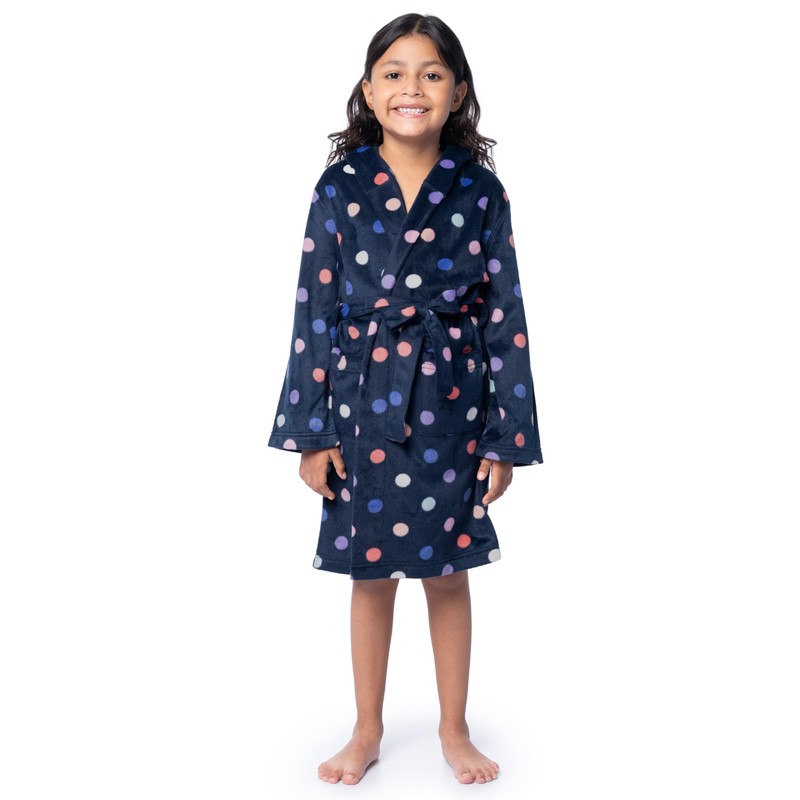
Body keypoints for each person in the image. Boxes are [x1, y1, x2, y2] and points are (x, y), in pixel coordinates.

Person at [268, 12, 543, 785]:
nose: (411, 87)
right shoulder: (340, 186)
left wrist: (505, 437)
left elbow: (505, 316)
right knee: (370, 574)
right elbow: (313, 309)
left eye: (431, 73)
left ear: (457, 92)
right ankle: (367, 729)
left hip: (452, 403)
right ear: (368, 90)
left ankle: (454, 728)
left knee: (447, 571)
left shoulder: (480, 190)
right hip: (361, 405)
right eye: (393, 72)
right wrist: (311, 431)